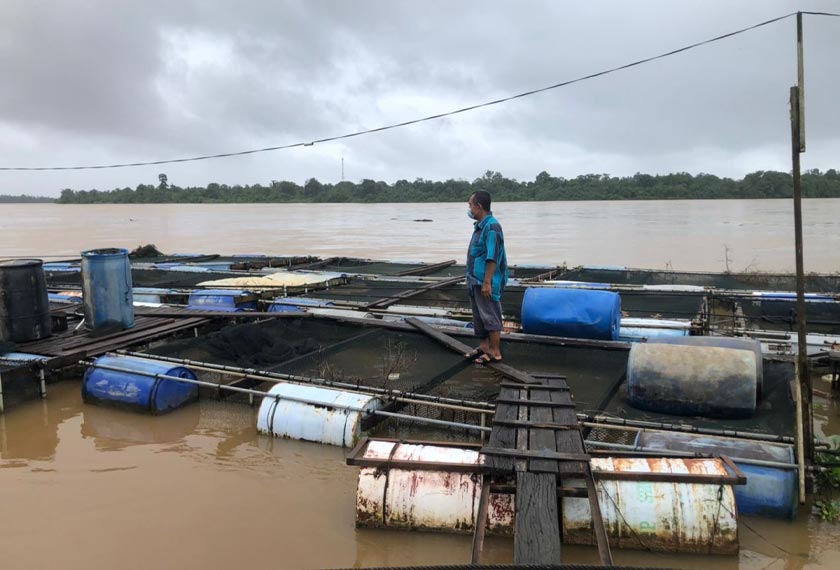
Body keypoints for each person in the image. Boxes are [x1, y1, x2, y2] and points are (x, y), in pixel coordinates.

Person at [465, 190, 508, 363]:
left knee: (490, 316)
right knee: (479, 316)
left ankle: (494, 352)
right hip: (474, 280)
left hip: (485, 282)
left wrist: (487, 283)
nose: (469, 208)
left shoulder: (492, 227)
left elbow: (492, 257)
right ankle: (484, 347)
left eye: (470, 204)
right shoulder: (480, 226)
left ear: (479, 206)